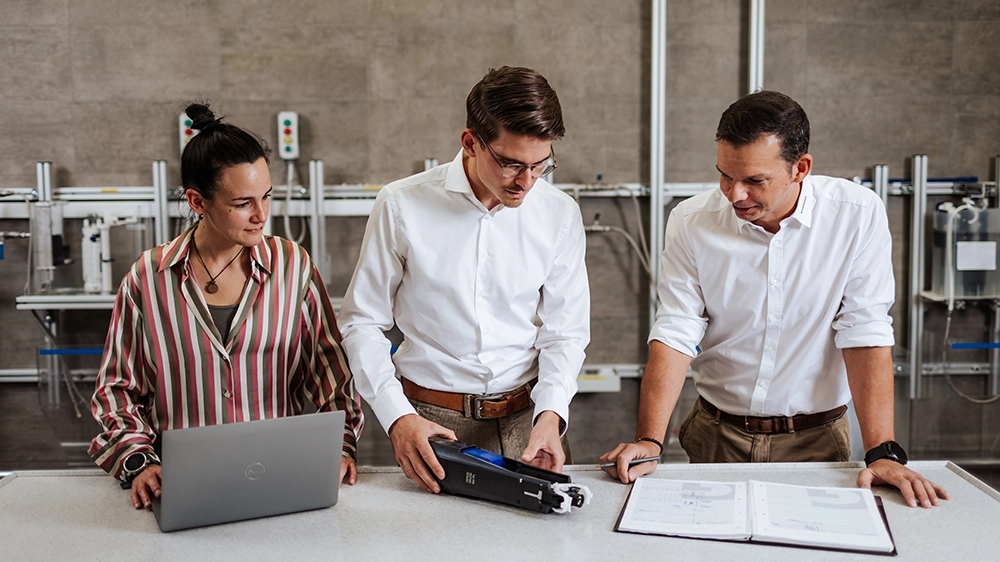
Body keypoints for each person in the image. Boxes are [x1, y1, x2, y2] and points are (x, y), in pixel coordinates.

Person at [600, 90, 949, 508]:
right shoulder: (692, 221)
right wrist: (649, 439)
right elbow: (676, 329)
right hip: (717, 433)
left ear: (800, 169)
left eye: (754, 181)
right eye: (725, 176)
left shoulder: (855, 214)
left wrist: (882, 451)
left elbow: (864, 328)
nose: (734, 195)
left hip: (818, 440)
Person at [89, 103, 364, 510]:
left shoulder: (293, 267)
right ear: (198, 202)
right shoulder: (148, 278)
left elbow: (332, 372)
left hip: (280, 479)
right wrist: (139, 462)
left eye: (266, 197)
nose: (261, 216)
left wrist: (340, 447)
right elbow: (116, 391)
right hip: (185, 486)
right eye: (242, 203)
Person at [339, 66, 590, 494]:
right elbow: (362, 322)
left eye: (540, 166)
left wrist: (551, 413)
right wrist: (398, 418)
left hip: (526, 421)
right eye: (512, 164)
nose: (526, 182)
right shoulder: (402, 205)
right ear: (470, 143)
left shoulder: (559, 213)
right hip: (428, 423)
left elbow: (565, 332)